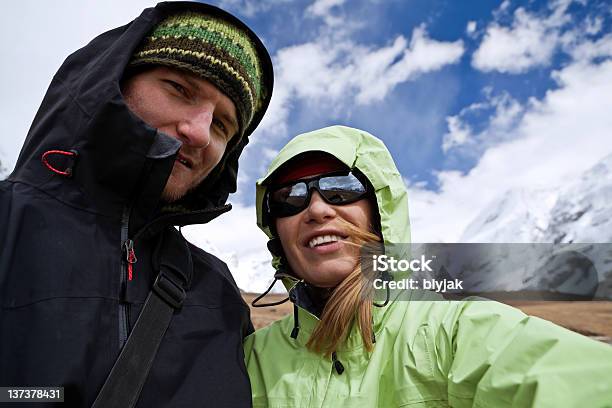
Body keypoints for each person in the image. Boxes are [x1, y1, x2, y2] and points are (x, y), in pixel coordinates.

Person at [0, 2, 273, 407]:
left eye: (221, 125)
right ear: (113, 82)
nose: (199, 133)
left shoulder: (219, 294)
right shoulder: (8, 224)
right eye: (179, 89)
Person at [244, 125, 612, 407]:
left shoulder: (455, 333)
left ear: (380, 213)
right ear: (275, 230)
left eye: (341, 187)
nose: (317, 209)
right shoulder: (248, 360)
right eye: (288, 197)